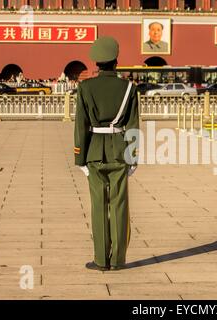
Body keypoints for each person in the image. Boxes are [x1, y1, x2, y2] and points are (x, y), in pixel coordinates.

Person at [74, 36, 139, 271]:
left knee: (98, 205)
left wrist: (79, 158)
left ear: (96, 63)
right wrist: (133, 158)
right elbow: (133, 125)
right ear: (116, 61)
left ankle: (101, 259)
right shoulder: (129, 88)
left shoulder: (85, 87)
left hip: (93, 153)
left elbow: (81, 125)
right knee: (120, 205)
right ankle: (119, 259)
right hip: (120, 152)